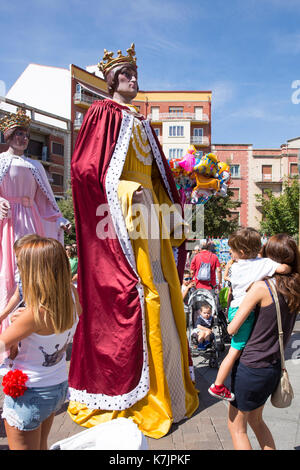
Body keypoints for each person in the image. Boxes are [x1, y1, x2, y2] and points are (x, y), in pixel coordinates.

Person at [68, 43, 199, 438]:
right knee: (140, 296)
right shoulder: (100, 114)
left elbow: (158, 176)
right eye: (125, 72)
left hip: (151, 222)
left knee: (162, 295)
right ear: (111, 79)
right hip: (123, 222)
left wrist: (173, 210)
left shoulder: (140, 121)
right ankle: (139, 397)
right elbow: (85, 170)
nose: (133, 77)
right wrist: (126, 193)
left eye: (135, 71)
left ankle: (170, 391)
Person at [0, 109, 71, 361]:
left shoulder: (36, 166)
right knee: (9, 274)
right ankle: (7, 335)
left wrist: (59, 218)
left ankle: (30, 330)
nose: (23, 138)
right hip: (7, 224)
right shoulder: (0, 162)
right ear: (8, 136)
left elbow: (46, 201)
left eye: (26, 135)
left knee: (31, 274)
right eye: (18, 133)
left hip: (31, 223)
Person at [0, 236, 81, 450]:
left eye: (21, 266)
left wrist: (21, 322)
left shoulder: (34, 315)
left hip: (30, 394)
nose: (19, 272)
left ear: (34, 270)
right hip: (57, 388)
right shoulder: (71, 295)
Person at [226, 233, 299, 450]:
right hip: (273, 366)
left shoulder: (261, 288)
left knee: (236, 427)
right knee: (256, 421)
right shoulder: (294, 288)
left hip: (251, 366)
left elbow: (233, 328)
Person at [208, 227, 291, 401]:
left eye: (232, 250)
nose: (229, 253)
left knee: (237, 347)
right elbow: (283, 269)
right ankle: (218, 385)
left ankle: (219, 383)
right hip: (243, 312)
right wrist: (283, 265)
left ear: (242, 252)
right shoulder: (265, 264)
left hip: (234, 308)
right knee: (235, 350)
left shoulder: (236, 267)